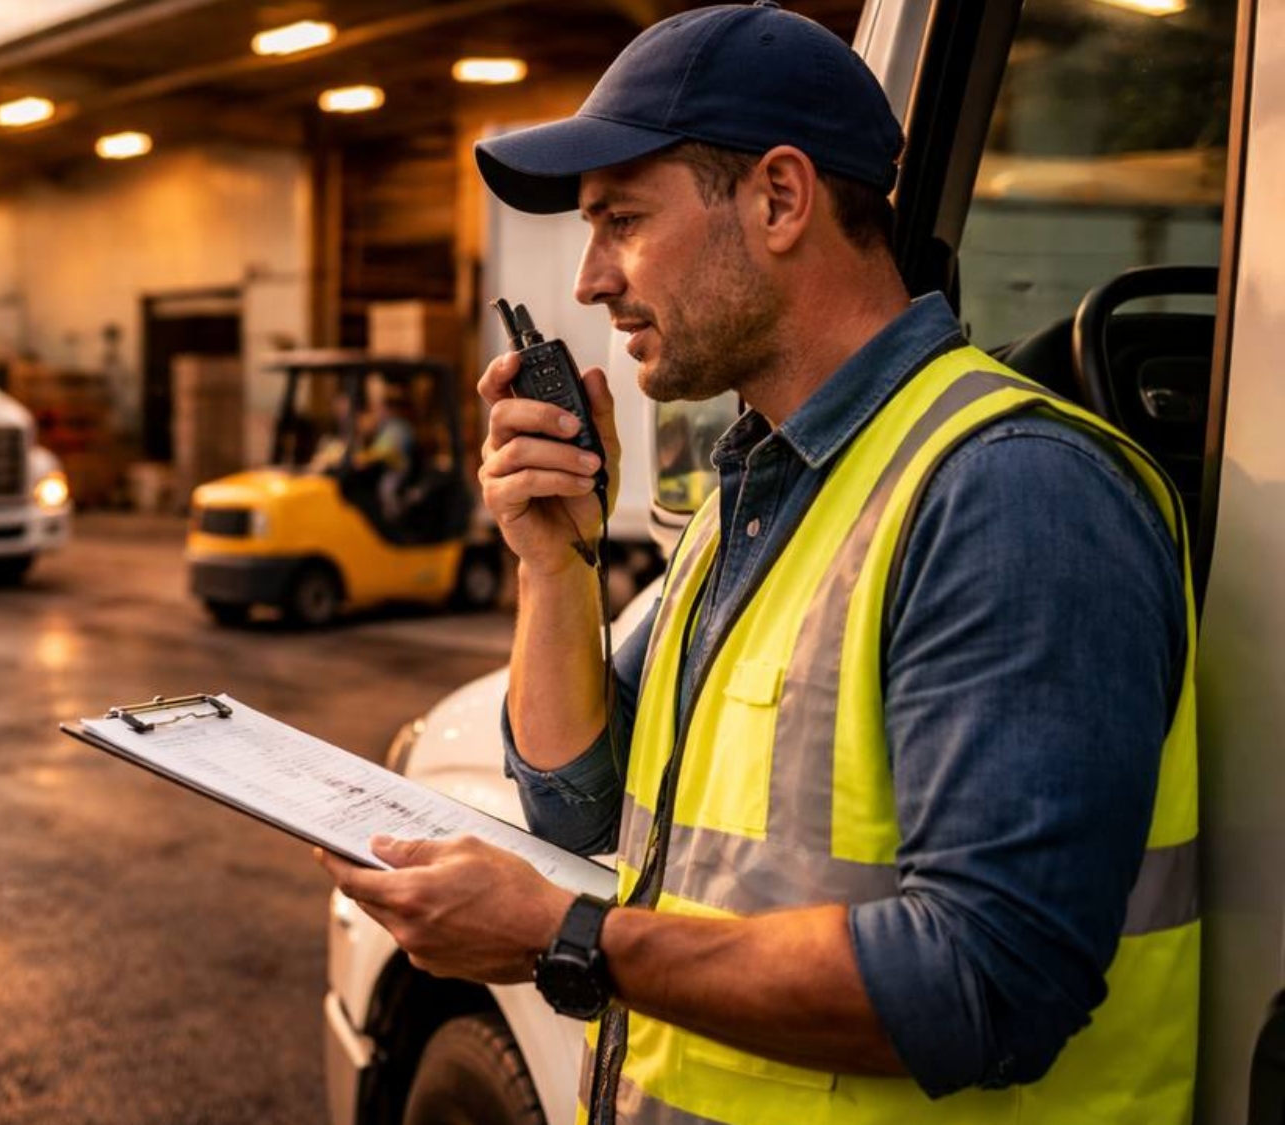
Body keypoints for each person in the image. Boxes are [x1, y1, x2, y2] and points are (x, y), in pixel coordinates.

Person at [318, 4, 1198, 1123]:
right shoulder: (759, 488)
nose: (589, 280)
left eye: (621, 220)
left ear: (779, 198)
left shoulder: (1008, 493)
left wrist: (566, 936)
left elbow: (987, 982)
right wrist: (553, 562)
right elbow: (576, 809)